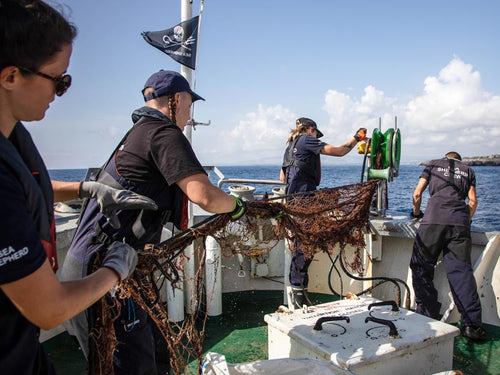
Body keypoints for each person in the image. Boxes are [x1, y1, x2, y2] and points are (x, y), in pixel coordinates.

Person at [0, 1, 157, 374]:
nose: (60, 92)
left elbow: (28, 186)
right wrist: (115, 271)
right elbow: (49, 308)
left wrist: (86, 189)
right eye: (59, 80)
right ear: (10, 76)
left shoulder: (12, 137)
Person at [61, 69, 247, 375]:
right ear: (176, 99)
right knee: (130, 367)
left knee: (155, 354)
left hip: (109, 266)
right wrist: (238, 207)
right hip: (101, 271)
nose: (189, 114)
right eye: (189, 102)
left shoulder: (140, 132)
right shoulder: (163, 134)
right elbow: (204, 195)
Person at [280, 117, 366, 308]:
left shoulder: (289, 147)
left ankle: (297, 293)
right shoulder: (306, 139)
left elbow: (282, 177)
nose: (317, 138)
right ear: (311, 129)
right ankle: (298, 297)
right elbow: (340, 151)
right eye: (316, 134)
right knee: (304, 247)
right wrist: (357, 137)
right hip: (305, 202)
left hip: (293, 202)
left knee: (300, 245)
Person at [409, 151, 486, 341]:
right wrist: (464, 220)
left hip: (433, 221)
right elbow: (473, 201)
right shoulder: (468, 170)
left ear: (445, 157)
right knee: (461, 272)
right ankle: (471, 325)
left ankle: (427, 312)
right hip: (459, 225)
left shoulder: (433, 164)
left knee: (421, 265)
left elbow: (417, 193)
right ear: (459, 160)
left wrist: (417, 213)